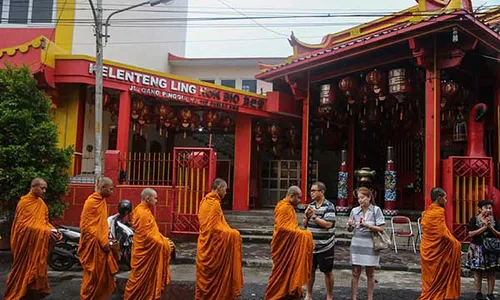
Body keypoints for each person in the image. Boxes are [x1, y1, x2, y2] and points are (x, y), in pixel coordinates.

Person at [3, 178, 62, 300]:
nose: (44, 191)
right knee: (22, 272)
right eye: (42, 188)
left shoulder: (41, 204)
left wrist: (53, 231)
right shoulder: (24, 203)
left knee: (36, 276)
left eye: (45, 188)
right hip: (25, 246)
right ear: (33, 187)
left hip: (37, 246)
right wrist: (45, 231)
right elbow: (23, 226)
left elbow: (44, 222)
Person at [195, 178, 243, 300]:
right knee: (234, 234)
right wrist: (234, 234)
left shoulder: (204, 201)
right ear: (219, 188)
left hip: (203, 243)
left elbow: (206, 225)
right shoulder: (215, 204)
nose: (225, 193)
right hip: (212, 246)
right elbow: (214, 230)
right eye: (225, 190)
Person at [124, 188, 175, 300]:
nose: (156, 201)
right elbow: (148, 237)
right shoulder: (142, 214)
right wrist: (165, 244)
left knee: (146, 283)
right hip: (144, 254)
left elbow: (153, 232)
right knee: (138, 283)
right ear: (148, 198)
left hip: (146, 253)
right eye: (155, 198)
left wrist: (163, 238)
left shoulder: (144, 210)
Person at [265, 186, 314, 300]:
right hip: (282, 246)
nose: (300, 201)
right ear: (292, 196)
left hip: (289, 245)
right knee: (280, 272)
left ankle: (289, 291)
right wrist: (303, 234)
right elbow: (283, 228)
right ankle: (275, 294)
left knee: (290, 271)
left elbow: (292, 227)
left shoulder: (289, 207)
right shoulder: (283, 207)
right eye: (299, 198)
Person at [78, 177, 119, 300]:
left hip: (101, 243)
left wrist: (106, 238)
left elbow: (101, 224)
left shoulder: (102, 201)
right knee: (93, 276)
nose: (112, 192)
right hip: (93, 244)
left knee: (102, 277)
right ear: (102, 188)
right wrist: (102, 241)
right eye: (110, 189)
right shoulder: (91, 202)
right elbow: (87, 227)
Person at [419, 187, 461, 300]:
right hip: (436, 251)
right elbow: (442, 233)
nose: (446, 201)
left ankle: (428, 294)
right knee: (437, 277)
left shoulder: (427, 212)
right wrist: (456, 243)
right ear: (439, 198)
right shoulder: (438, 212)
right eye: (445, 198)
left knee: (429, 278)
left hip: (427, 249)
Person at [347, 187, 386, 300]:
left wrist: (368, 226)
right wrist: (350, 225)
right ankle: (354, 297)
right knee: (355, 272)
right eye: (358, 198)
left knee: (370, 273)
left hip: (370, 243)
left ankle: (370, 297)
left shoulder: (376, 210)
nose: (360, 200)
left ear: (369, 197)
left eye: (363, 197)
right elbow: (350, 229)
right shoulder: (354, 211)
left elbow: (381, 228)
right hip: (357, 242)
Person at [303, 182, 336, 300]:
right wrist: (307, 217)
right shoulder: (310, 205)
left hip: (325, 245)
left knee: (327, 271)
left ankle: (329, 296)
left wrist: (314, 217)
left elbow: (328, 224)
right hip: (311, 245)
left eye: (313, 190)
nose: (311, 193)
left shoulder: (329, 206)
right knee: (310, 271)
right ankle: (308, 294)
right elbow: (304, 224)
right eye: (310, 191)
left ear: (321, 192)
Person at [466, 200, 500, 300]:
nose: (488, 210)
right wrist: (484, 227)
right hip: (477, 247)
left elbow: (498, 234)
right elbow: (471, 234)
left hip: (491, 248)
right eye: (486, 208)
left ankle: (490, 294)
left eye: (490, 208)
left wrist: (491, 227)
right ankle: (478, 293)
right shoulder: (474, 219)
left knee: (492, 271)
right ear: (480, 209)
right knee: (477, 271)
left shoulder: (494, 219)